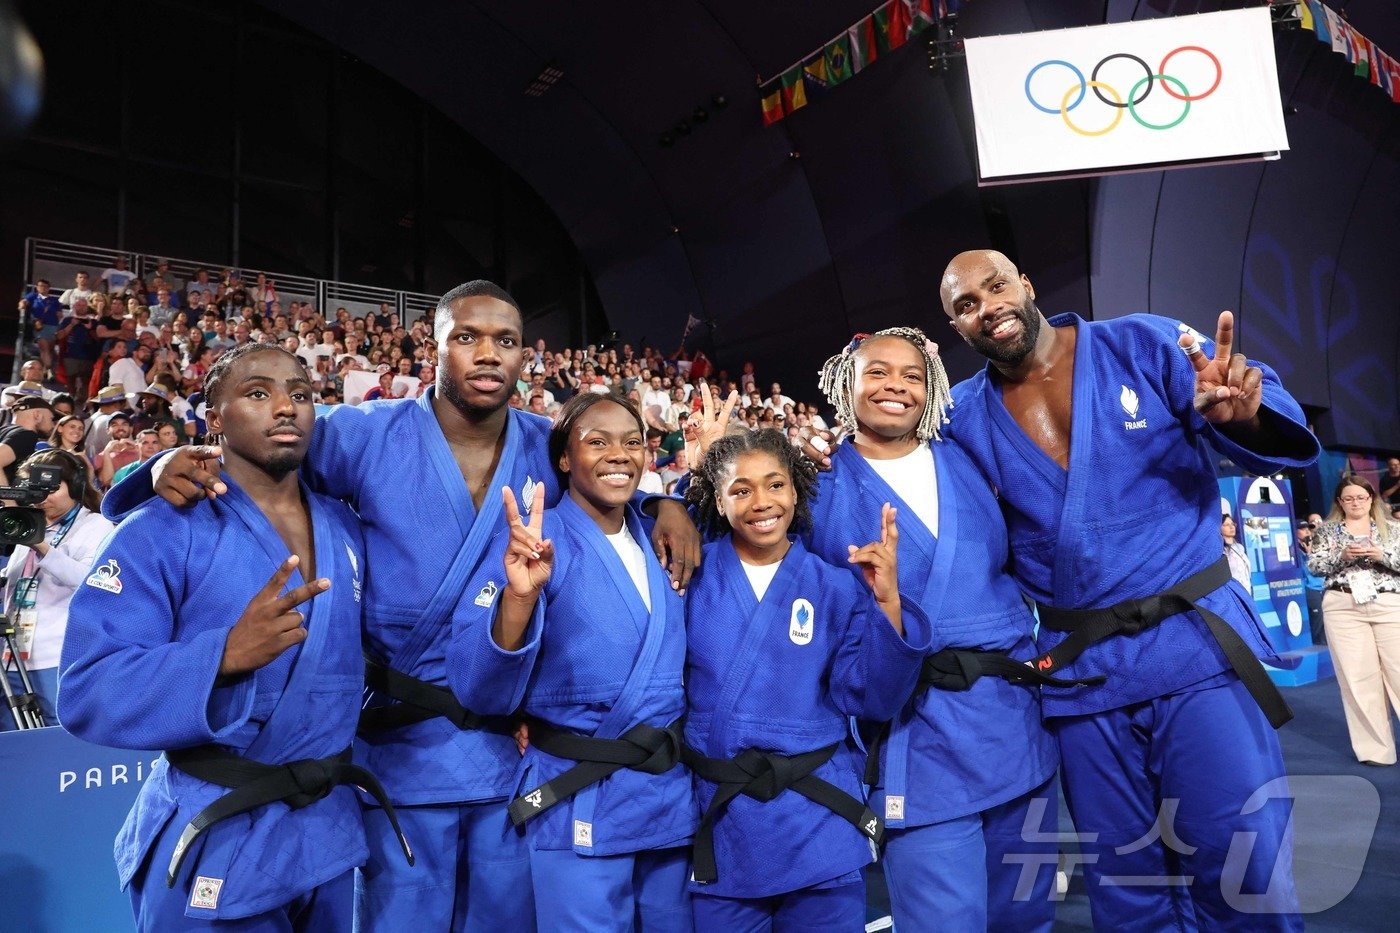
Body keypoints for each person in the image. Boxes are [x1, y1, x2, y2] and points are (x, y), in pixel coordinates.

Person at [107, 280, 702, 932]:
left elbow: (608, 478)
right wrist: (162, 461)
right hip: (399, 752)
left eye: (505, 340)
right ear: (435, 345)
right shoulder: (368, 433)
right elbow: (261, 454)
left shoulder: (543, 443)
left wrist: (659, 502)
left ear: (524, 356)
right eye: (466, 337)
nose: (487, 354)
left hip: (506, 755)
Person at [936, 249, 1316, 930]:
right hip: (1084, 679)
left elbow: (1255, 407)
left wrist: (1240, 419)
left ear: (1025, 283)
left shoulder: (1143, 342)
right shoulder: (961, 416)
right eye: (965, 304)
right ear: (956, 328)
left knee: (1245, 869)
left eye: (994, 287)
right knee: (1127, 890)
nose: (986, 307)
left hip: (1194, 651)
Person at [59, 344, 408, 928]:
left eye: (300, 394)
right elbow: (88, 688)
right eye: (257, 393)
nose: (286, 408)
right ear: (213, 419)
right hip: (218, 826)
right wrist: (220, 657)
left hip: (326, 831)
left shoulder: (346, 523)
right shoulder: (163, 528)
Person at [787, 328, 1066, 931]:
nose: (896, 387)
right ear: (845, 383)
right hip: (916, 736)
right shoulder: (815, 487)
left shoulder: (967, 456)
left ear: (932, 386)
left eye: (912, 375)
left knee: (1028, 917)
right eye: (878, 372)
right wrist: (677, 500)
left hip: (1013, 727)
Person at [448, 394, 696, 930]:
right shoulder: (536, 541)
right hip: (580, 792)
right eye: (597, 442)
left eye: (633, 443)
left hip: (664, 793)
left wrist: (668, 503)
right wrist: (518, 599)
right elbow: (476, 685)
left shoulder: (663, 538)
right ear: (564, 458)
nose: (618, 455)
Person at [682, 429, 930, 930]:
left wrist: (888, 605)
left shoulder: (835, 586)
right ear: (718, 498)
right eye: (741, 490)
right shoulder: (690, 579)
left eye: (775, 485)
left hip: (816, 819)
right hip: (726, 823)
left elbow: (873, 698)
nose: (762, 503)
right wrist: (669, 502)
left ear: (796, 490)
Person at [1, 450, 113, 729]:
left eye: (52, 488)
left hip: (60, 656)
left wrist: (41, 546)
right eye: (33, 489)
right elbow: (18, 582)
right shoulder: (27, 523)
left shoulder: (96, 525)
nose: (42, 497)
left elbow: (91, 580)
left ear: (75, 487)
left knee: (60, 739)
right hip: (13, 657)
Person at [1307, 475, 1400, 766]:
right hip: (1343, 605)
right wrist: (1341, 556)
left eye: (1360, 497)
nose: (1355, 503)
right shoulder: (1327, 531)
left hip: (1388, 603)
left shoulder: (1393, 529)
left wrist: (1381, 555)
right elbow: (1315, 565)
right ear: (1339, 502)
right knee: (1358, 678)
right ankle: (1376, 751)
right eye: (1348, 498)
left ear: (1371, 498)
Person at [0, 395, 56, 484]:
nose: (53, 426)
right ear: (37, 415)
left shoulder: (3, 430)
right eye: (51, 419)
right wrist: (8, 497)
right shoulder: (26, 435)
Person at [1222, 513, 1252, 592]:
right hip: (1233, 594)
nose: (1231, 527)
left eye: (1232, 524)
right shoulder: (1220, 551)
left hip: (1246, 591)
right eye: (1227, 524)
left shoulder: (1240, 548)